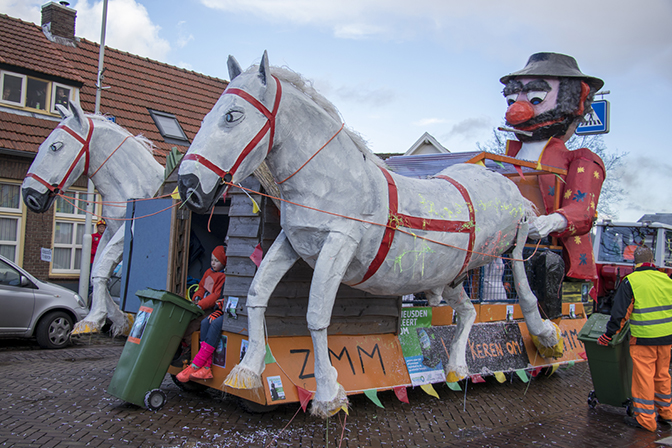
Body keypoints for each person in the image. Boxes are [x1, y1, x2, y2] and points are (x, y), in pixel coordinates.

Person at [500, 52, 606, 296]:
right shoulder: (504, 160)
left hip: (553, 258)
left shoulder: (582, 159)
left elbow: (582, 211)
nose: (517, 109)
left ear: (576, 101)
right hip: (506, 247)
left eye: (537, 99)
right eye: (513, 100)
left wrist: (549, 223)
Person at [598, 246, 672, 431]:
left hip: (644, 339)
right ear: (652, 261)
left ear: (635, 262)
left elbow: (620, 314)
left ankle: (646, 420)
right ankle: (666, 413)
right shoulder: (666, 279)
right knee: (662, 375)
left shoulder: (631, 281)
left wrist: (608, 335)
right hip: (666, 338)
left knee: (644, 378)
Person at [176, 245, 227, 381]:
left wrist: (201, 304)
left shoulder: (223, 277)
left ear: (224, 262)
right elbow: (201, 287)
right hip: (199, 305)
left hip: (208, 308)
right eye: (212, 260)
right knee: (189, 322)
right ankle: (198, 360)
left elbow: (215, 296)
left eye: (217, 261)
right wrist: (197, 297)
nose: (213, 263)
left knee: (198, 324)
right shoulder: (208, 272)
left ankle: (192, 355)